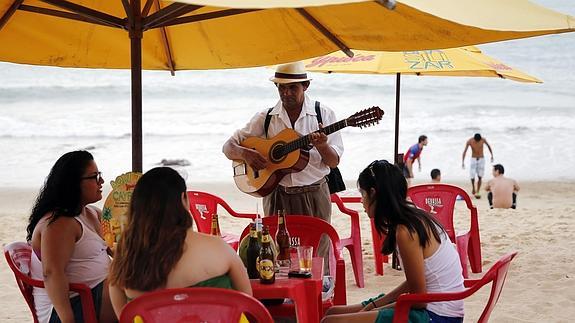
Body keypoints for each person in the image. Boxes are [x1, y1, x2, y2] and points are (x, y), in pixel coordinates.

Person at [222, 61, 344, 271]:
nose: (286, 93)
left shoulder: (323, 115)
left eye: (292, 88)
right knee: (278, 254)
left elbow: (333, 162)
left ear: (305, 86)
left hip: (314, 194)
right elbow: (228, 147)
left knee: (318, 251)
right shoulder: (267, 118)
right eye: (281, 87)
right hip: (277, 194)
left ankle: (319, 297)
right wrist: (246, 154)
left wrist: (323, 145)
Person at [322, 160, 464, 323]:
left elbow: (419, 299)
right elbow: (414, 284)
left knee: (331, 322)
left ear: (373, 193)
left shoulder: (405, 231)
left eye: (363, 194)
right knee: (332, 311)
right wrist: (374, 305)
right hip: (438, 309)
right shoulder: (412, 215)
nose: (362, 201)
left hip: (438, 316)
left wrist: (377, 308)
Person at [108, 167, 251, 317]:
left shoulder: (122, 263)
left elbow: (124, 317)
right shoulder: (219, 249)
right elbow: (249, 306)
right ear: (184, 198)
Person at [26, 150, 116, 323]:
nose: (102, 181)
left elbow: (114, 248)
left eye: (100, 175)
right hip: (71, 307)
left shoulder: (92, 213)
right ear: (73, 184)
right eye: (95, 176)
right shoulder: (59, 224)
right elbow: (52, 273)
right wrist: (68, 319)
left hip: (96, 297)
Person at [462, 133, 494, 199]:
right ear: (474, 139)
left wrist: (492, 155)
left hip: (481, 159)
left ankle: (478, 191)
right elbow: (465, 151)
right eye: (476, 141)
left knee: (480, 176)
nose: (477, 142)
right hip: (473, 159)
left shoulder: (483, 140)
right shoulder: (470, 141)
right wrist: (463, 161)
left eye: (478, 141)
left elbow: (489, 146)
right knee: (472, 175)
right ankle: (473, 188)